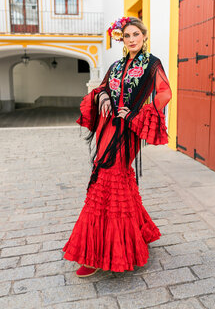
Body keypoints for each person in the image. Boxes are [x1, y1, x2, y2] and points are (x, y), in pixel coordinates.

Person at [62, 16, 172, 277]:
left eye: (136, 34)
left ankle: (98, 253)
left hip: (128, 130)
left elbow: (165, 93)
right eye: (127, 35)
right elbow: (102, 88)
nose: (132, 39)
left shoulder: (152, 64)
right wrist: (103, 97)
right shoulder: (116, 65)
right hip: (107, 127)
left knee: (109, 179)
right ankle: (138, 231)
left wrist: (135, 114)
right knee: (111, 178)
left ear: (144, 37)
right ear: (121, 39)